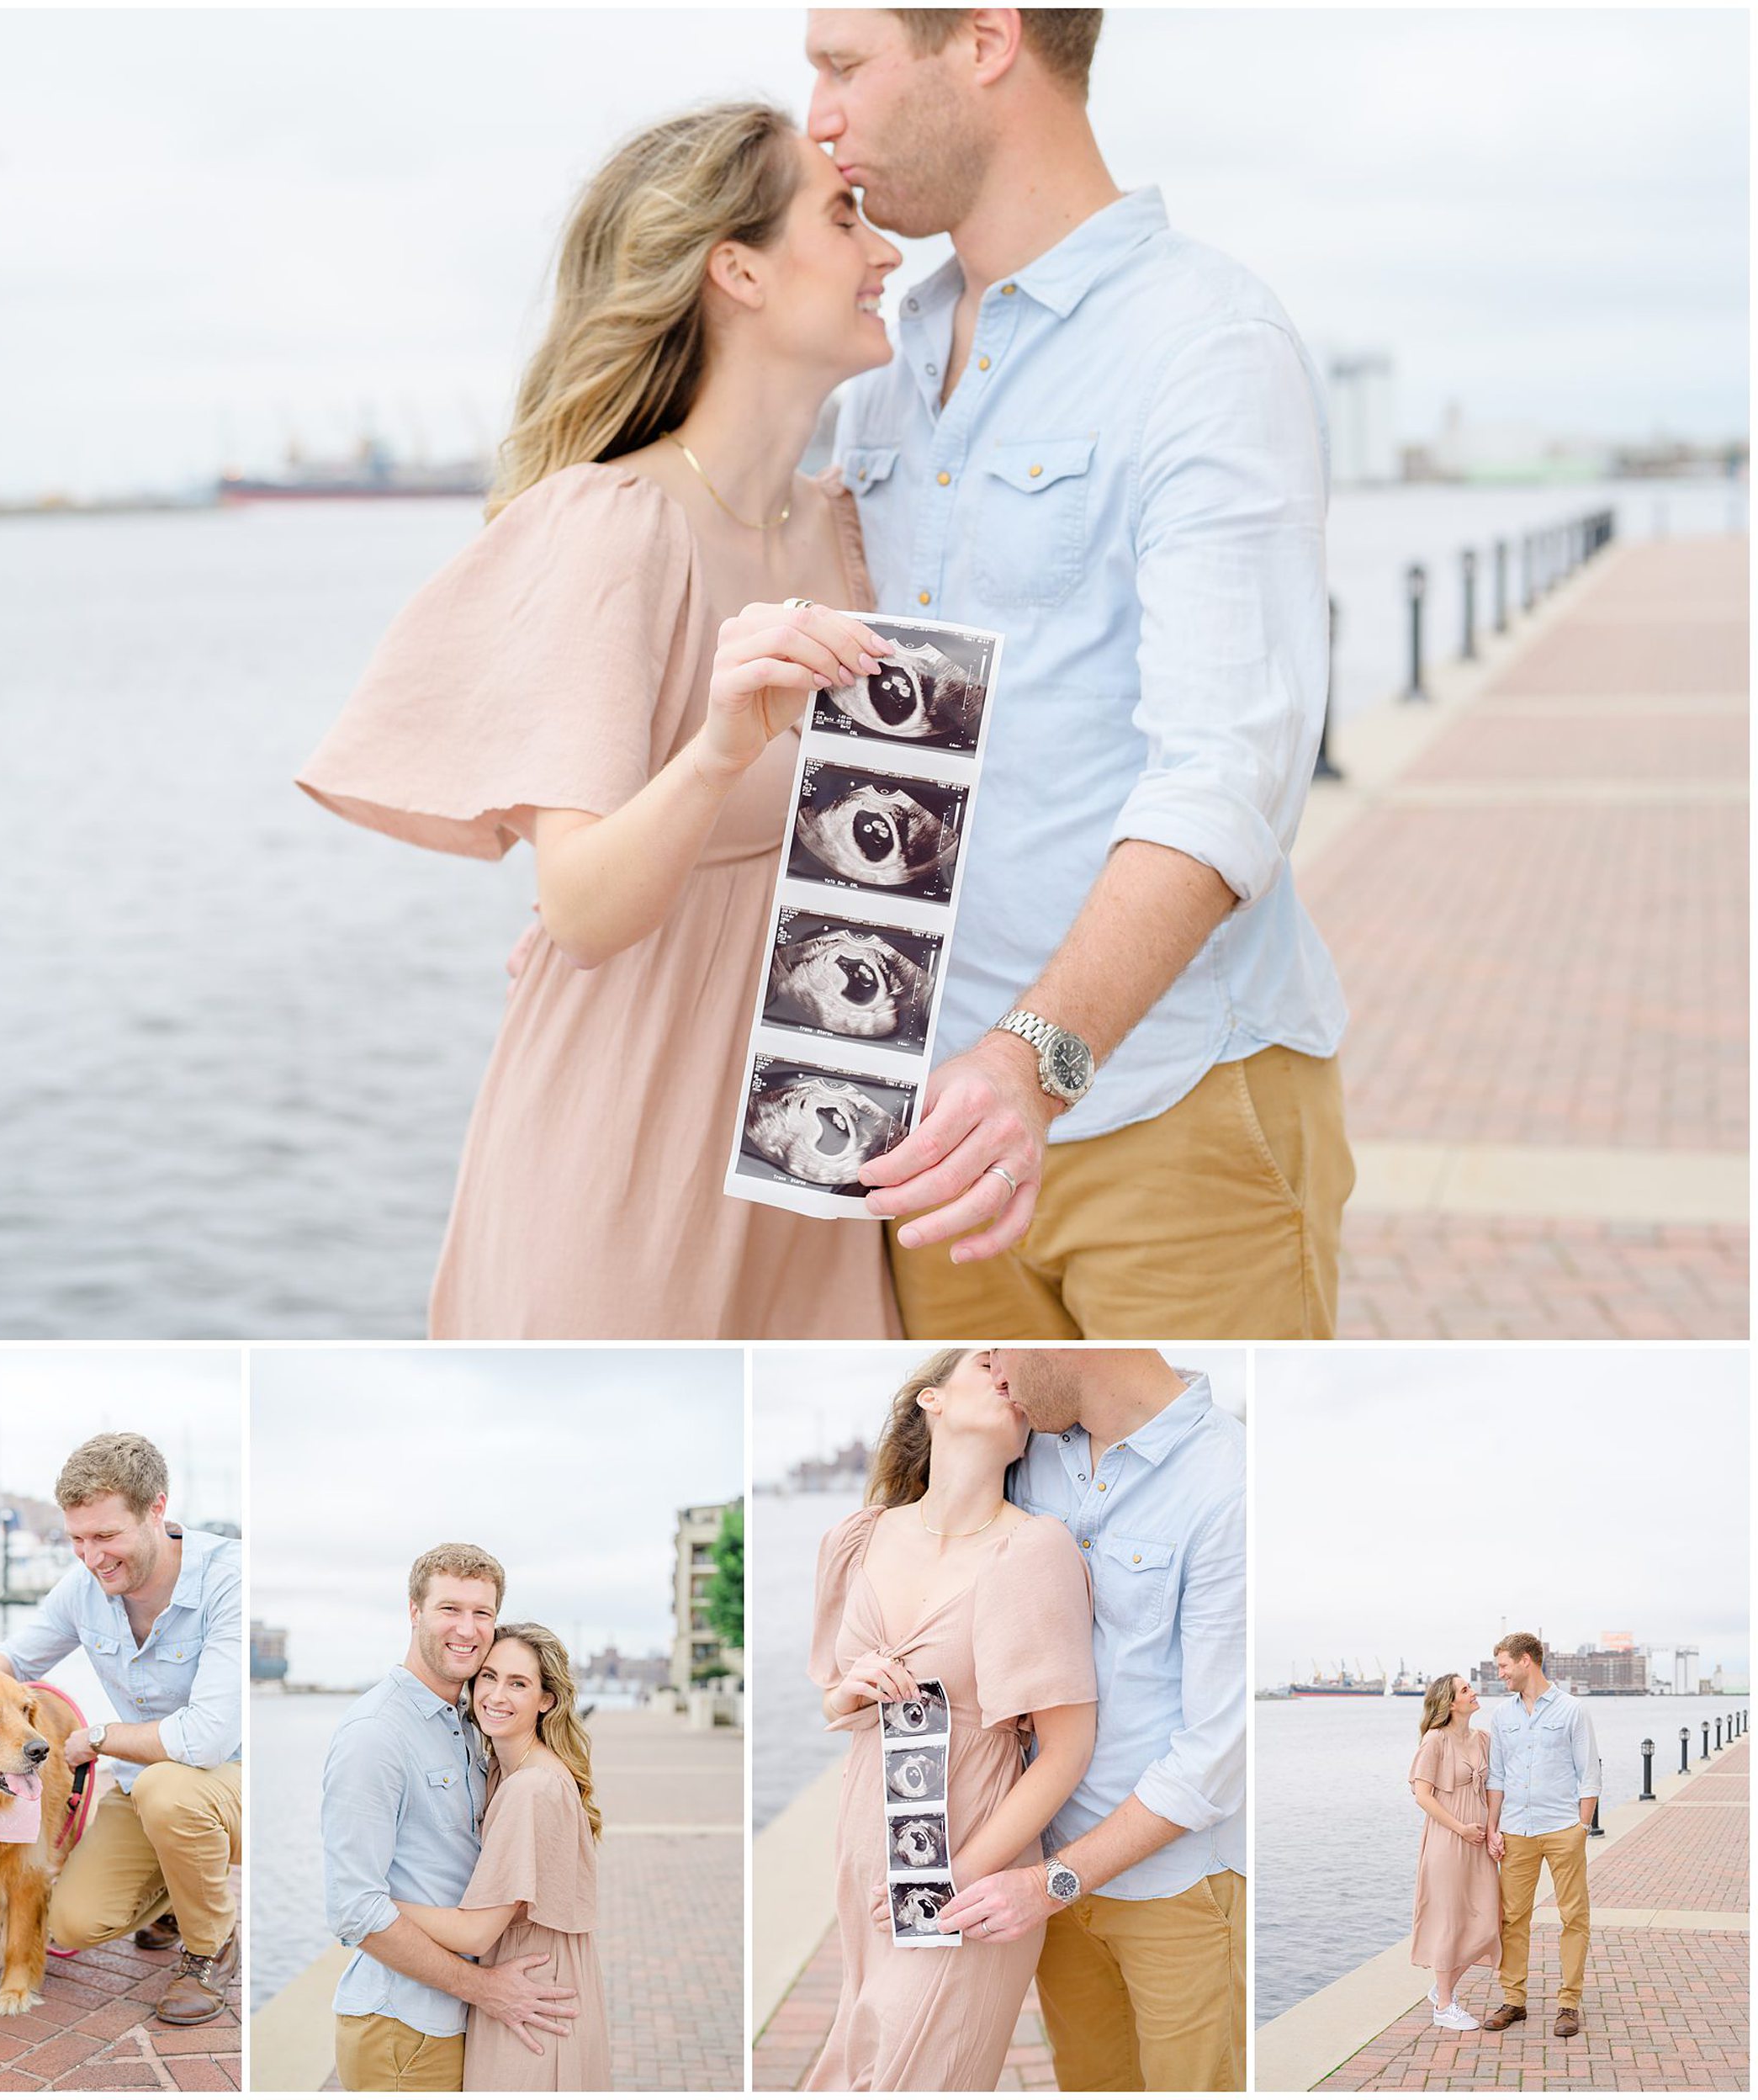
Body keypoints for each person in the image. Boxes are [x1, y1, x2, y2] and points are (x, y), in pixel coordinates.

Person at [296, 102, 906, 1340]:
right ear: (735, 270)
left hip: (818, 1143)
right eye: (842, 219)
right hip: (630, 1145)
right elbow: (576, 909)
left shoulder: (847, 526)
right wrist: (723, 745)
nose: (886, 253)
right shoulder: (614, 525)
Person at [805, 8, 1353, 1340]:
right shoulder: (874, 367)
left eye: (843, 66)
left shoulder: (1205, 343)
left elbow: (1231, 774)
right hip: (931, 1136)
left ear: (984, 41)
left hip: (1169, 1115)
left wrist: (1034, 1064)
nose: (818, 118)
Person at [939, 1350, 1245, 2091]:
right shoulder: (1028, 1449)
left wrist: (1051, 1885)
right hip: (1041, 1875)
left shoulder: (1229, 1483)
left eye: (1001, 1348)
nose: (995, 1369)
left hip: (1174, 1893)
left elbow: (1215, 1758)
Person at [804, 1348, 1098, 2089]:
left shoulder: (1034, 1548)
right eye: (984, 1360)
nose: (1008, 1372)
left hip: (968, 1865)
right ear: (929, 1400)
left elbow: (1067, 1749)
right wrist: (850, 1693)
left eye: (1016, 1376)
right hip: (867, 1856)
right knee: (860, 2065)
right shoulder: (856, 1540)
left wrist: (945, 1882)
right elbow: (831, 1697)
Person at [0, 1431, 241, 2025]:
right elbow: (12, 1659)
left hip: (234, 1789)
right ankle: (177, 1894)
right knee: (71, 1921)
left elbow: (204, 1740)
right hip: (148, 1793)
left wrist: (98, 1737)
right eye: (77, 1539)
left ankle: (211, 1946)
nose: (92, 1557)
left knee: (167, 1789)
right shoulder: (84, 1588)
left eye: (106, 1536)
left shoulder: (229, 1578)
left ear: (157, 1509)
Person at [322, 1545, 580, 2093]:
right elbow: (353, 1910)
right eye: (449, 1609)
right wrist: (484, 1988)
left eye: (482, 1613)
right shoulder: (375, 1734)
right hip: (403, 2027)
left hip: (457, 2022)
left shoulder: (467, 1723)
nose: (467, 1628)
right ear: (414, 1612)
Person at [394, 1622, 609, 2092]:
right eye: (488, 1676)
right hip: (535, 1984)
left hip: (531, 1998)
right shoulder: (505, 1770)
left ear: (547, 1699)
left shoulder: (530, 1788)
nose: (496, 1695)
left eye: (518, 1683)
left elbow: (475, 1929)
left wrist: (375, 1905)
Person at [1482, 1631, 1597, 2040]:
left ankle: (1569, 2002)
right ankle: (1514, 1999)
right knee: (1513, 1918)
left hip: (1562, 1829)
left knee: (1573, 1917)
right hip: (1516, 1831)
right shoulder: (1502, 1716)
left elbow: (1590, 1774)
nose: (1501, 1674)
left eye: (1504, 1666)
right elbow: (1496, 1776)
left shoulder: (1572, 1710)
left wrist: (1581, 1828)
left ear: (1526, 1660)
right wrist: (1493, 1827)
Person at [1408, 1673, 1500, 2031]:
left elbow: (1496, 1787)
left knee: (1489, 1922)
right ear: (1449, 1703)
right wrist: (1460, 1828)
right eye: (1465, 1690)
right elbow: (1422, 1795)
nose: (1473, 1692)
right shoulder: (1435, 1741)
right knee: (1450, 1920)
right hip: (1448, 1840)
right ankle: (1444, 2005)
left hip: (1479, 1842)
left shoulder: (1483, 1739)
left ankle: (1440, 1987)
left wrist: (1491, 1831)